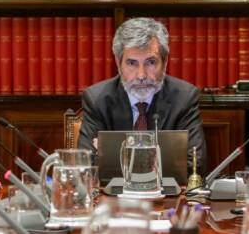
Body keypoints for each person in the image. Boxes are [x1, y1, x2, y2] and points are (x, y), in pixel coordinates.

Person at [78, 17, 207, 174]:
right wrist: (168, 160)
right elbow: (85, 166)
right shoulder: (97, 99)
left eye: (151, 62)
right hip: (114, 197)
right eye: (132, 63)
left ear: (165, 62)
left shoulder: (184, 98)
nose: (141, 75)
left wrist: (111, 158)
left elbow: (195, 165)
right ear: (118, 64)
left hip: (165, 196)